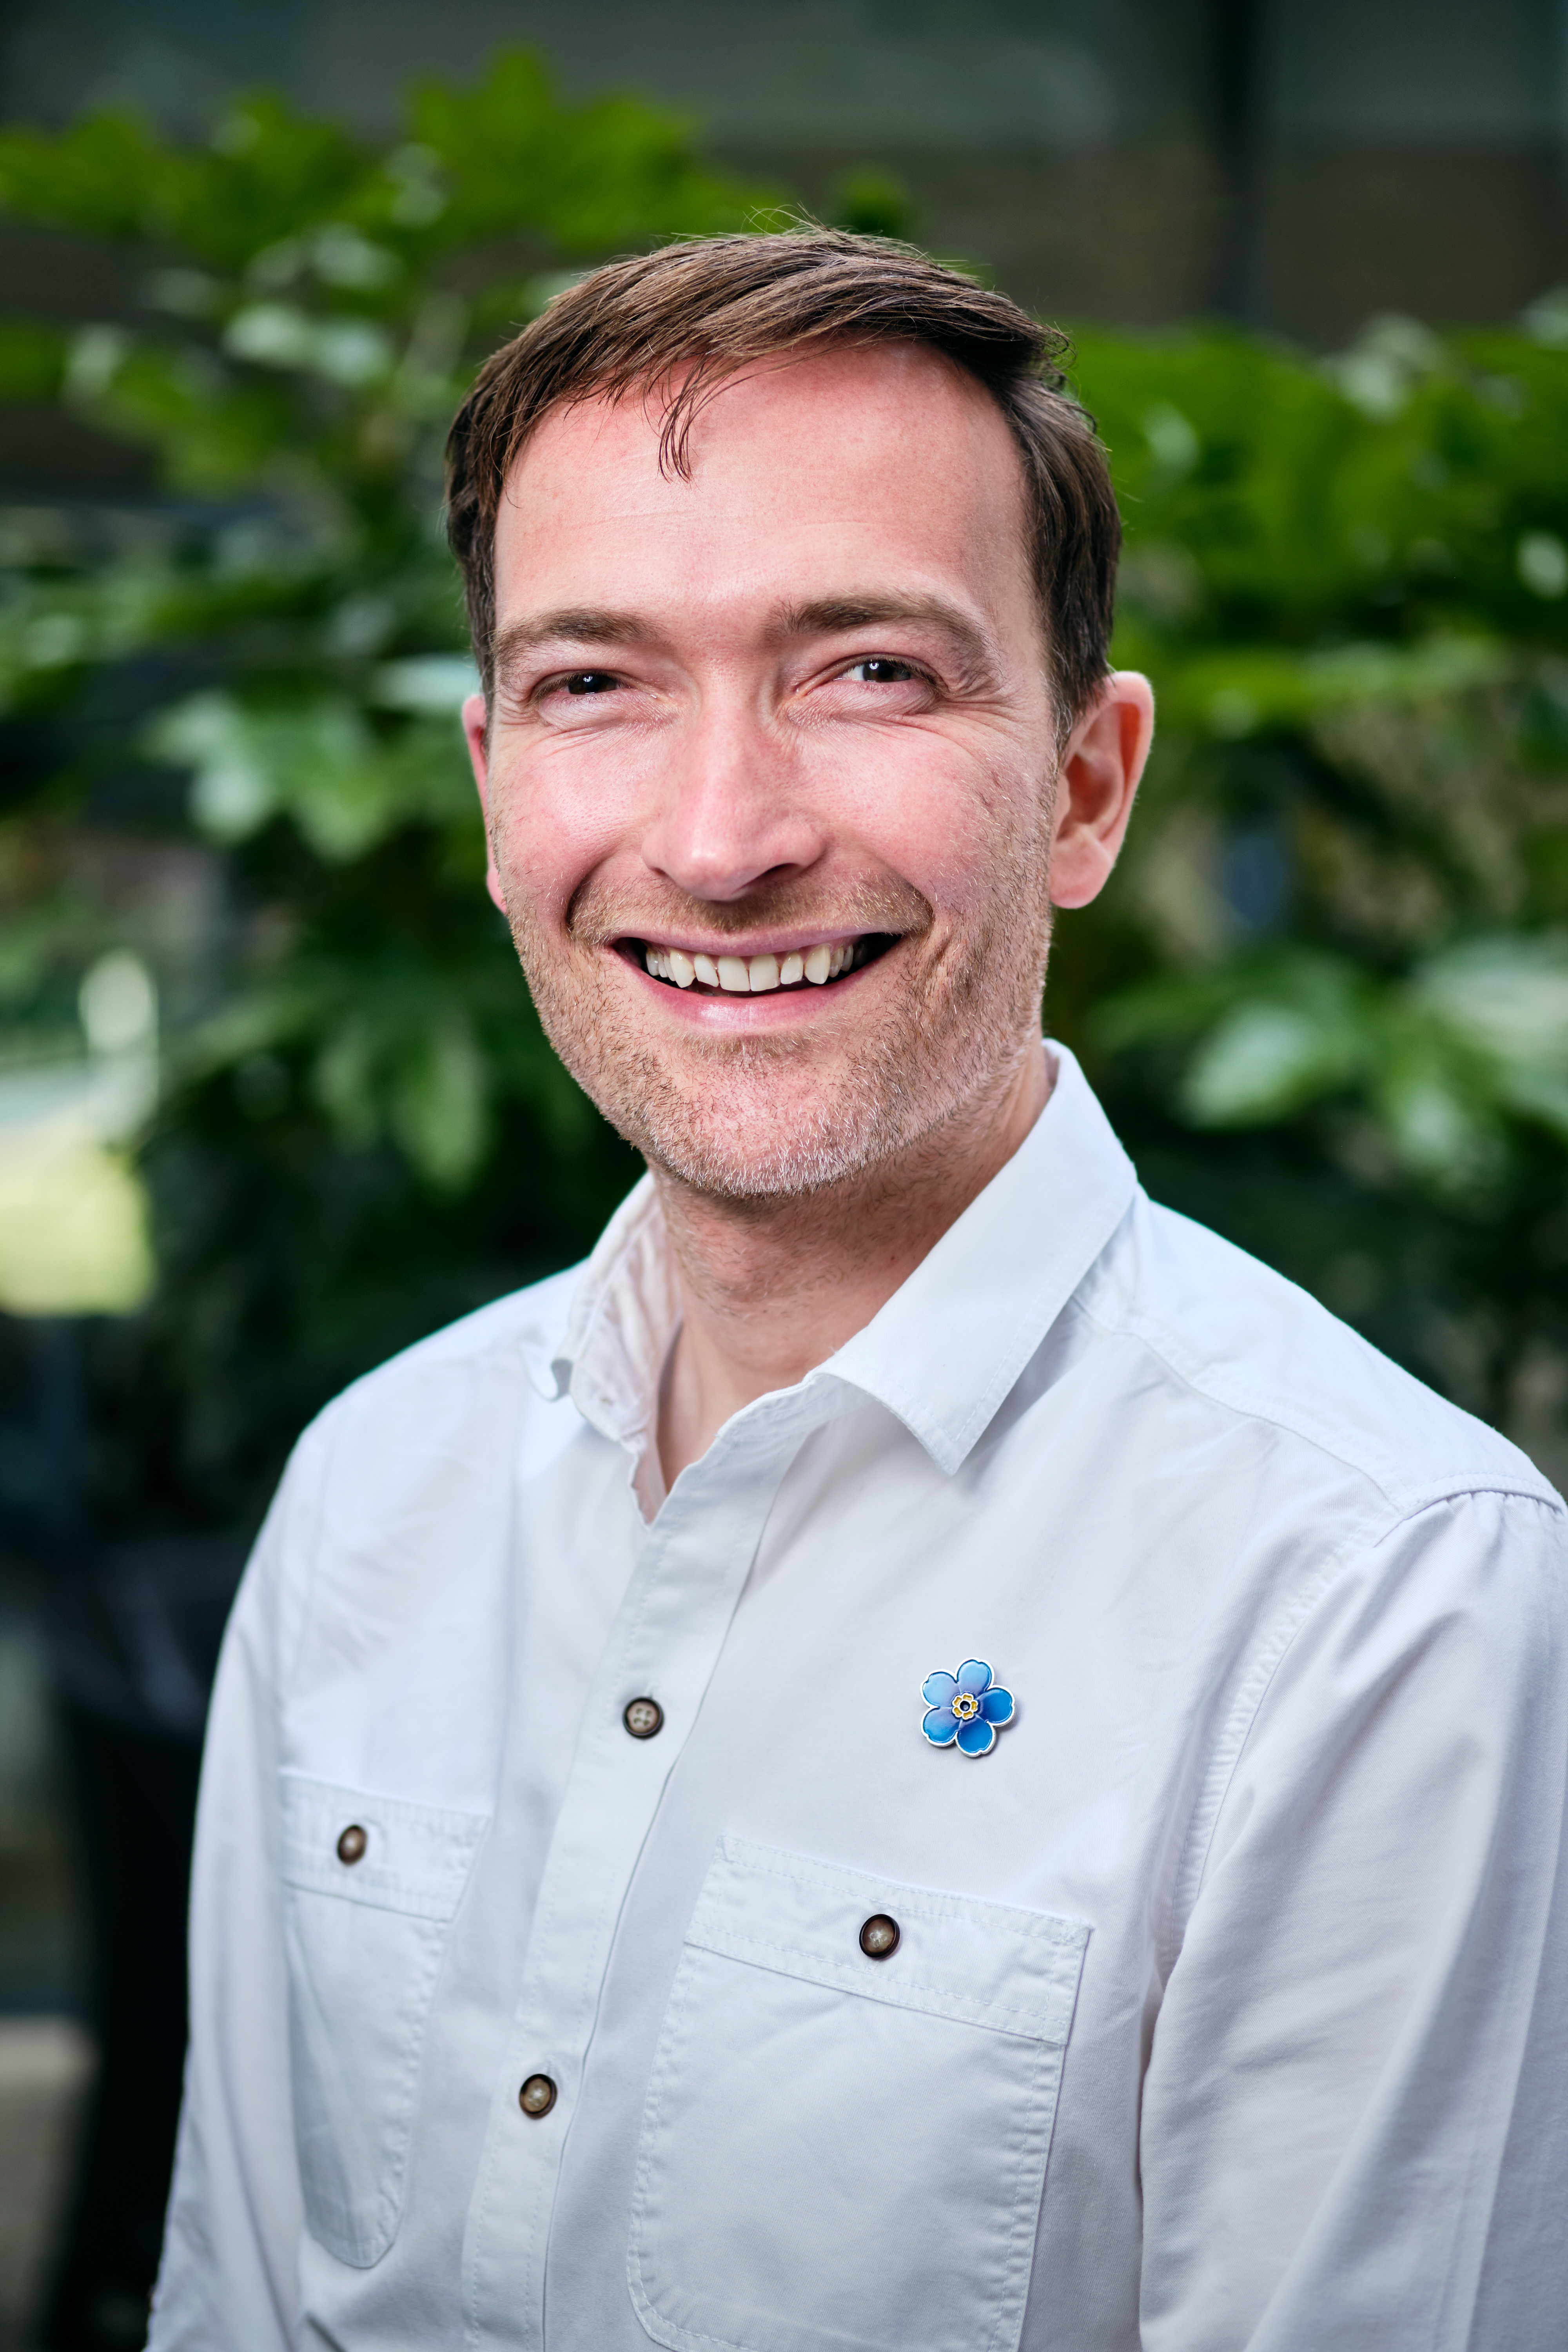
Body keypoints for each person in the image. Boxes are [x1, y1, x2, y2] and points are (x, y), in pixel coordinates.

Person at [149, 230, 1568, 2352]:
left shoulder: (1383, 1601)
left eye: (870, 671)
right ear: (488, 786)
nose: (720, 840)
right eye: (595, 682)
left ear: (1086, 786)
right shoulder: (377, 1488)